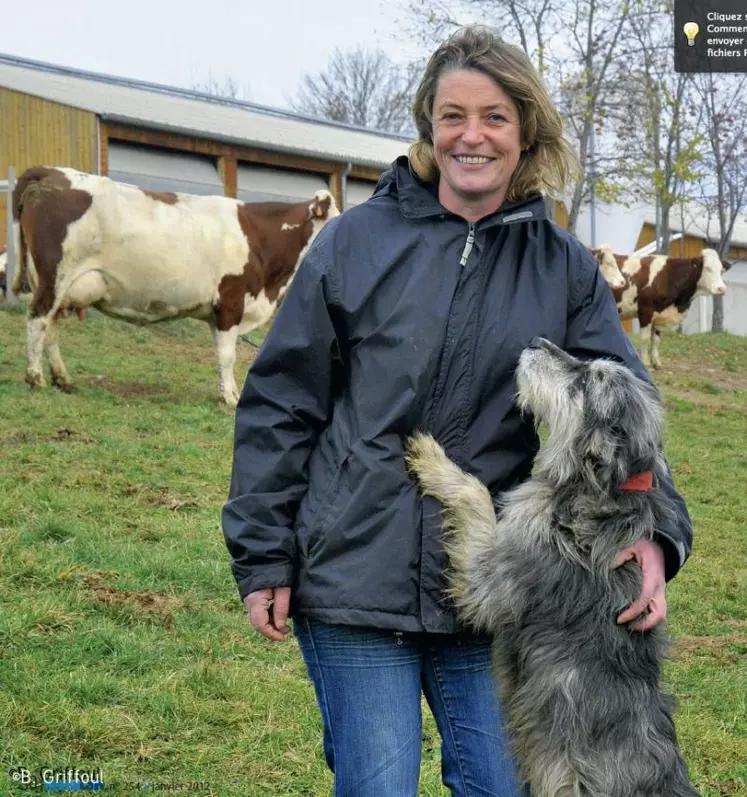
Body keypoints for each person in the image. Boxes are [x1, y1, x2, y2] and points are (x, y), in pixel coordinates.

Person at [222, 24, 693, 797]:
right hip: (351, 574)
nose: (470, 135)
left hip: (501, 590)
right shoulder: (352, 244)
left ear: (524, 131)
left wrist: (655, 532)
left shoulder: (565, 267)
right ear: (427, 127)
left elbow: (626, 411)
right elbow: (280, 403)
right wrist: (264, 555)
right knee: (378, 785)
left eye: (493, 117)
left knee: (500, 787)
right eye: (451, 116)